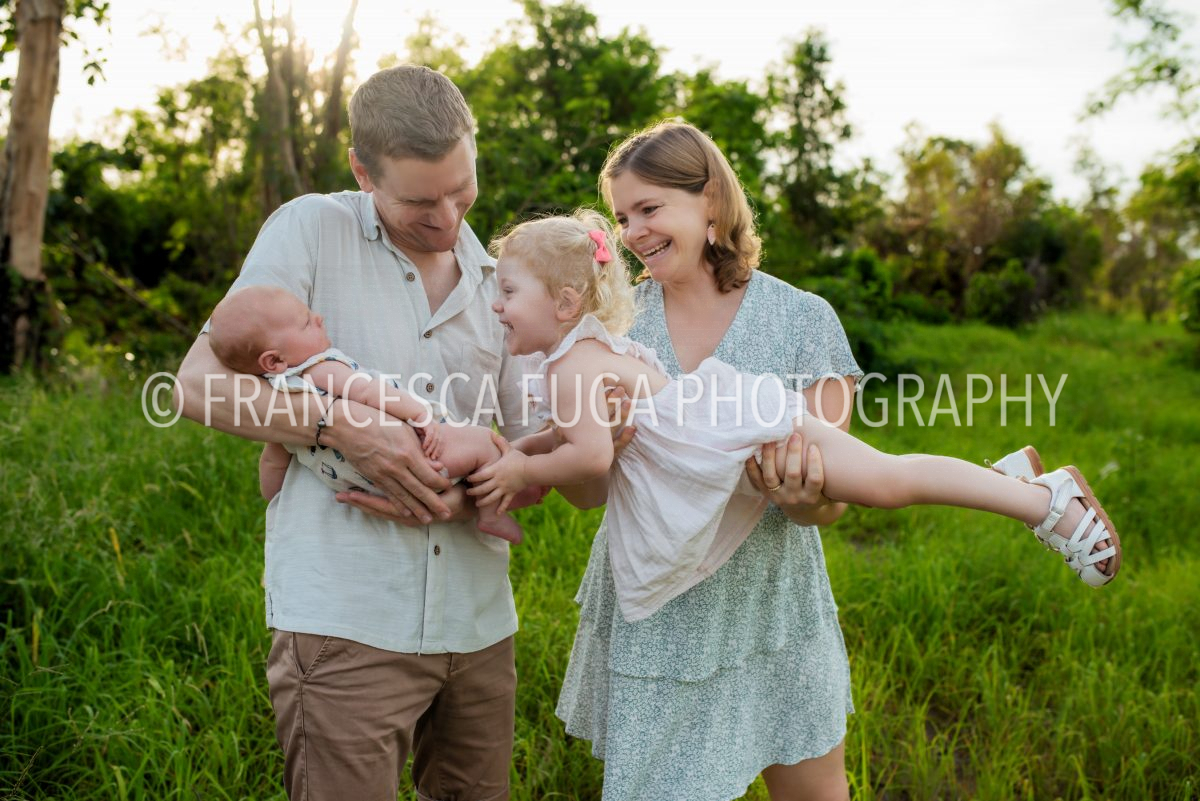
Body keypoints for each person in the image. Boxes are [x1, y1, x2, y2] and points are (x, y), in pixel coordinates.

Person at [513, 120, 1081, 801]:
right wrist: (603, 448)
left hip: (774, 606)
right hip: (662, 618)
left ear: (710, 200)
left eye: (650, 208)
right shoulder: (612, 328)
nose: (634, 232)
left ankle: (1027, 496)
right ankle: (1016, 487)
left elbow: (834, 500)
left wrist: (799, 494)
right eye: (622, 217)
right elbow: (587, 493)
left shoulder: (804, 320)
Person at [173, 65, 541, 801]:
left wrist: (473, 492)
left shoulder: (501, 280)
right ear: (361, 171)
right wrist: (341, 428)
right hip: (346, 623)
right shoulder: (311, 228)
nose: (447, 217)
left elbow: (534, 450)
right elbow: (196, 385)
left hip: (477, 623)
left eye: (461, 188)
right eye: (419, 201)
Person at [470, 211, 1119, 623]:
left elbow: (588, 455)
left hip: (739, 432)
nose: (496, 306)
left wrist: (521, 466)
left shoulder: (570, 367)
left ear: (564, 303)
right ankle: (1011, 483)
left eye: (507, 291)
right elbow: (573, 439)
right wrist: (520, 454)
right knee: (887, 477)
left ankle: (1046, 501)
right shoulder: (582, 355)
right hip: (730, 431)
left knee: (887, 481)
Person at [207, 284, 527, 542]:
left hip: (367, 481)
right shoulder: (320, 368)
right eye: (305, 322)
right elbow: (368, 392)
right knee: (485, 443)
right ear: (274, 361)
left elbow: (272, 462)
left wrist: (275, 498)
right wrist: (419, 416)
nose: (318, 318)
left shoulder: (282, 404)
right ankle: (491, 514)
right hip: (417, 453)